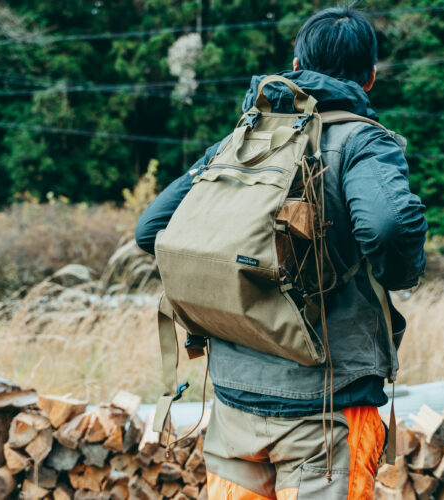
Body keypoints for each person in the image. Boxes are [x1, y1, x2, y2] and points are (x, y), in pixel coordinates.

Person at [135, 7, 427, 499]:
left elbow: (151, 230)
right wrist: (400, 273)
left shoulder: (242, 140)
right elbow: (389, 227)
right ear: (370, 77)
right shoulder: (362, 141)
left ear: (295, 65)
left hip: (234, 405)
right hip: (326, 409)